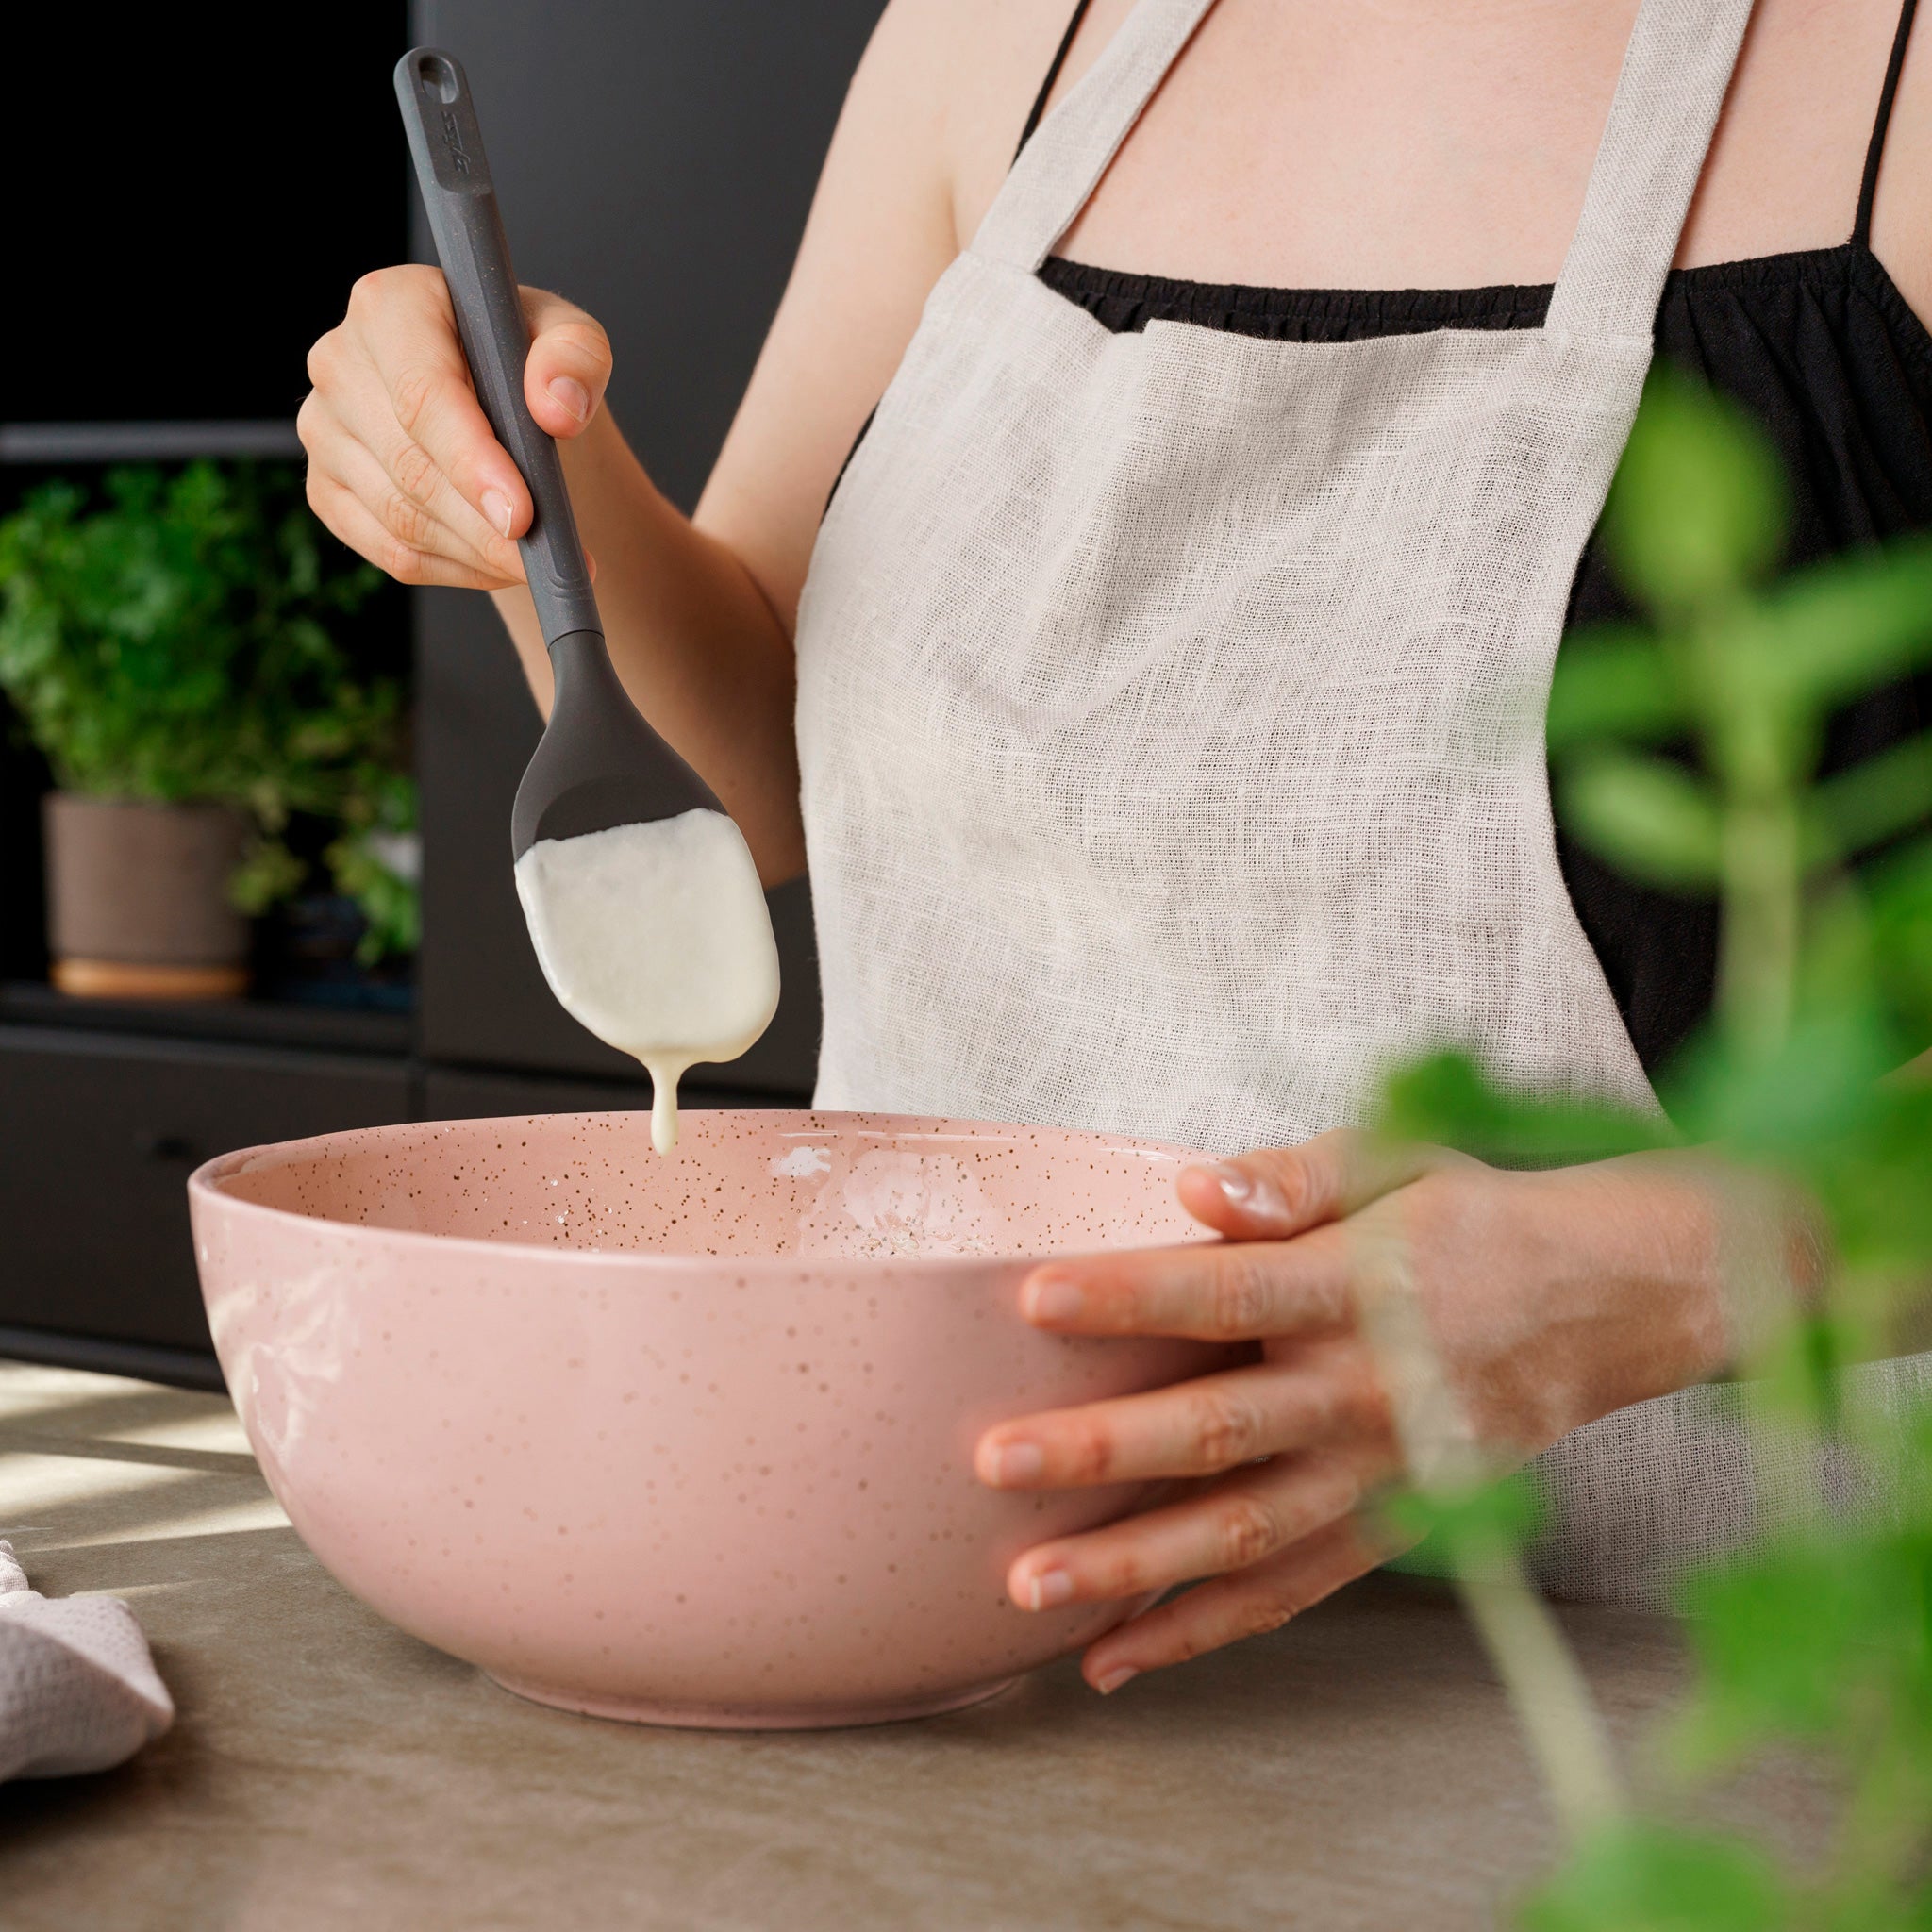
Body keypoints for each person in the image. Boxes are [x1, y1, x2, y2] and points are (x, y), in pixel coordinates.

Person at [301, 0, 1932, 1697]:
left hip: (1711, 1713)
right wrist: (517, 480)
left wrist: (1648, 1278)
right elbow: (756, 752)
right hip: (957, 1659)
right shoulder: (995, 36)